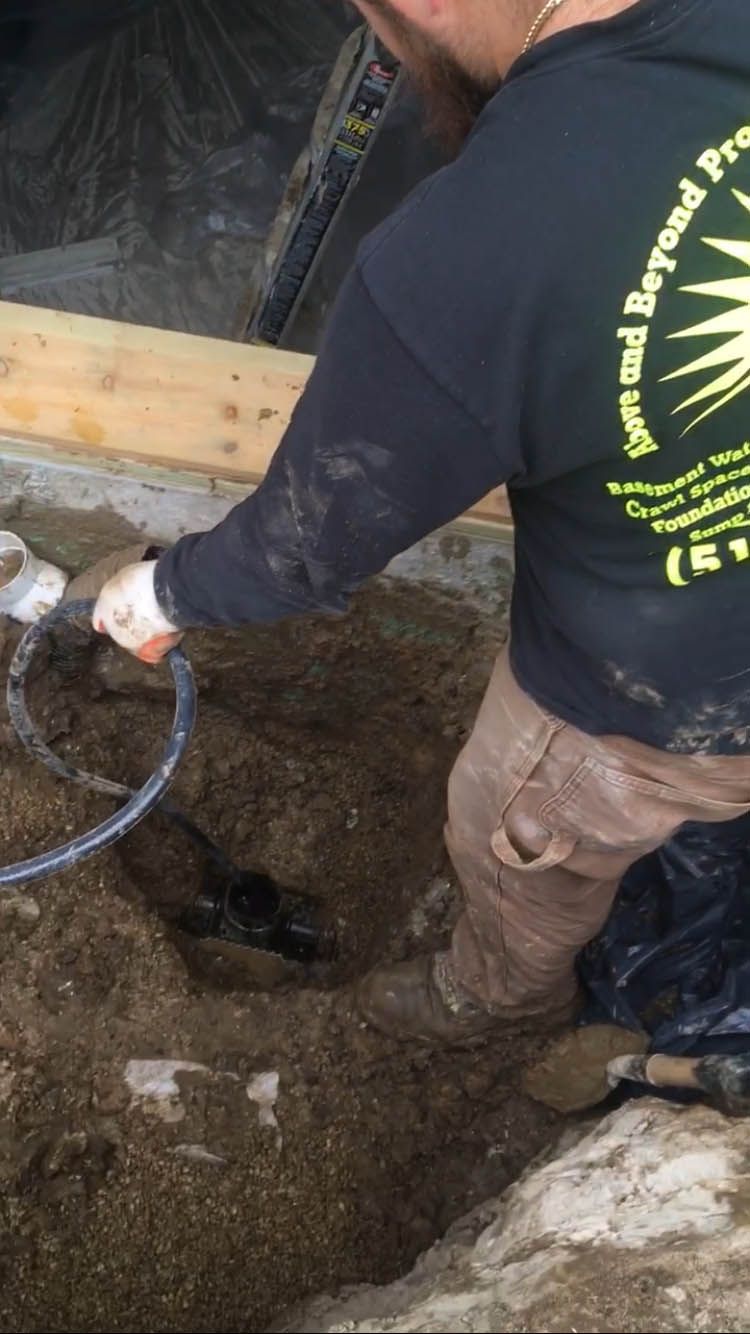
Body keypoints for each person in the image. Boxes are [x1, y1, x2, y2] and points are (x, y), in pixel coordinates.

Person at [93, 0, 750, 1044]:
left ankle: (495, 997)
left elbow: (303, 547)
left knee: (514, 828)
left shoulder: (468, 254)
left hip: (668, 691)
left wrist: (161, 589)